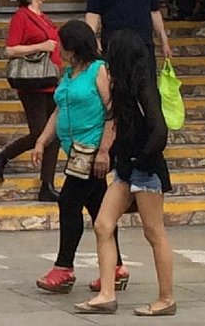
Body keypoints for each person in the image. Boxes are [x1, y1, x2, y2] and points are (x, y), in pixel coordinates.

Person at [77, 28, 175, 317]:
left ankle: (166, 298)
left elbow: (159, 131)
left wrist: (140, 159)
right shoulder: (120, 88)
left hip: (145, 168)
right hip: (126, 168)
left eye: (109, 53)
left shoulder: (144, 87)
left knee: (153, 231)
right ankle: (106, 294)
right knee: (103, 224)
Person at [32, 19, 122, 296]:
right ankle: (116, 267)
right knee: (98, 208)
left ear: (74, 47)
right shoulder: (68, 74)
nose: (59, 50)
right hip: (73, 150)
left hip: (91, 148)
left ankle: (64, 267)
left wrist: (104, 150)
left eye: (62, 45)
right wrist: (42, 140)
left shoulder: (99, 70)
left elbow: (111, 112)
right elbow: (59, 110)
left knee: (69, 202)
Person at [0, 0, 60, 201]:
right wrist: (40, 46)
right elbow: (10, 49)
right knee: (40, 133)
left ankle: (46, 184)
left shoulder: (43, 17)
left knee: (53, 133)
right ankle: (3, 156)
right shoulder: (22, 17)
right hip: (32, 83)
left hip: (50, 80)